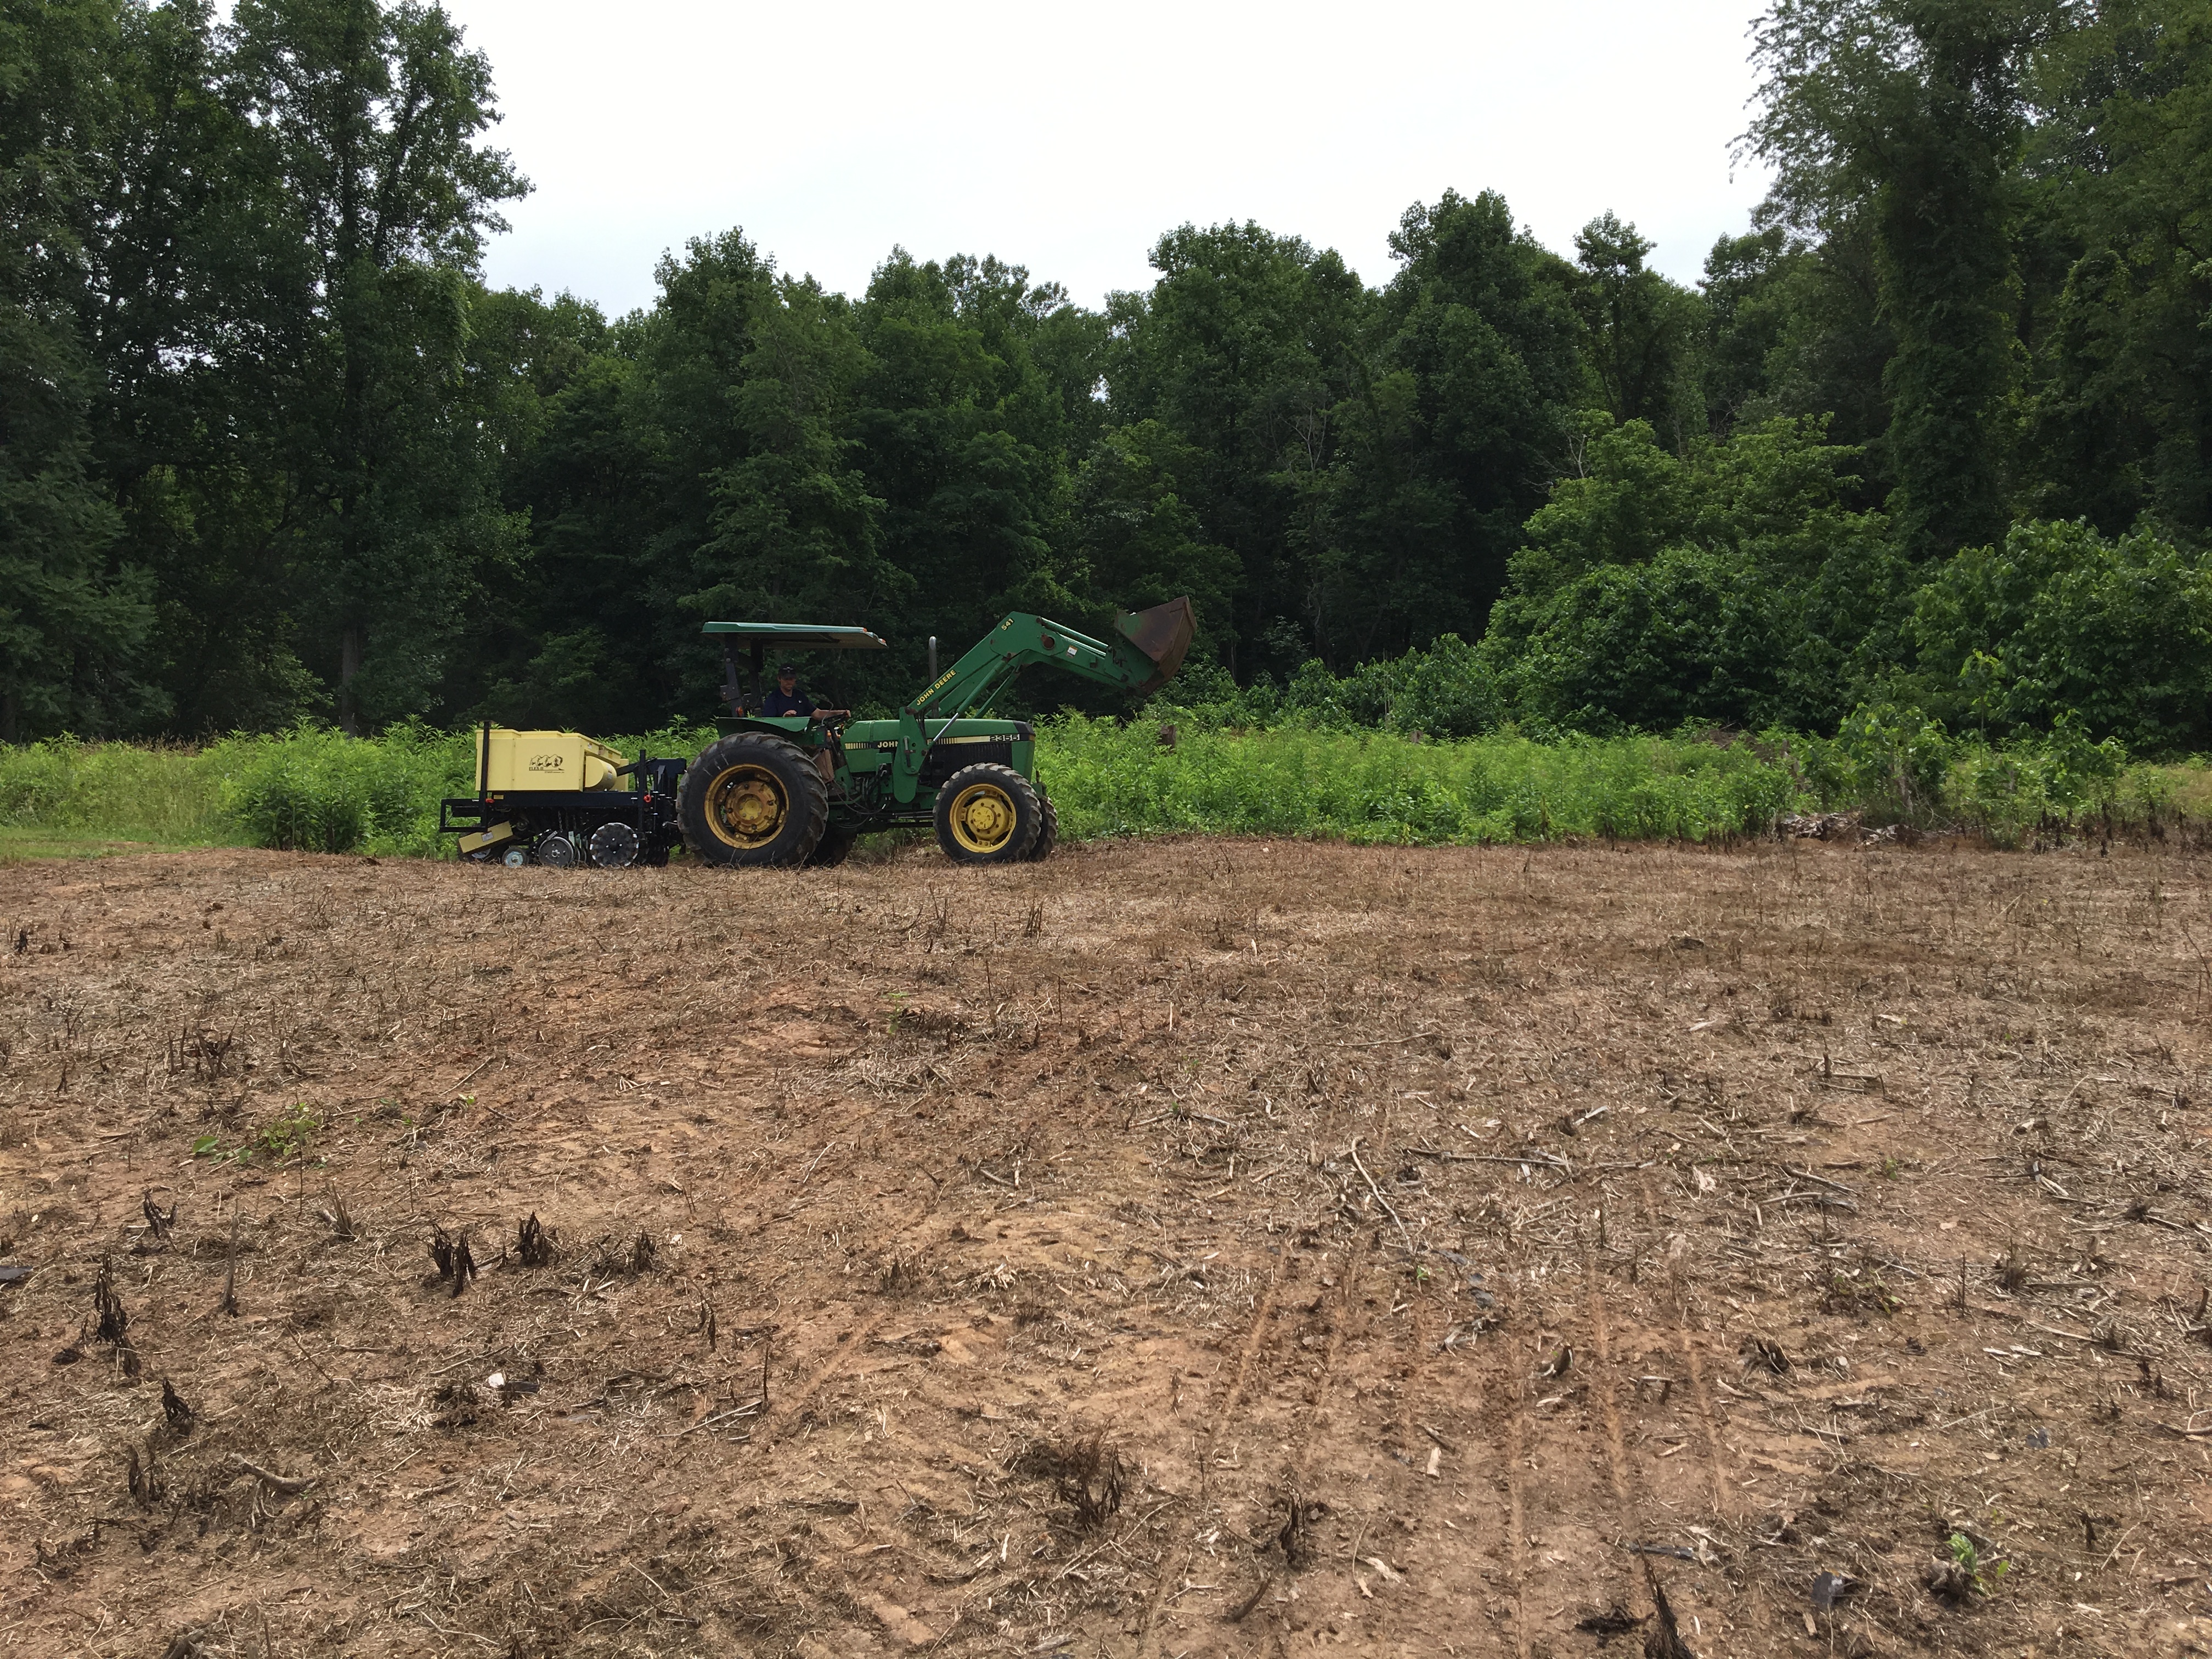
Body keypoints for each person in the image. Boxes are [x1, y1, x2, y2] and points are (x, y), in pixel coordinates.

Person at [760, 663, 848, 721]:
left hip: (802, 736)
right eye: (786, 679)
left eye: (791, 679)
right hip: (782, 740)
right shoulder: (773, 698)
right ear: (779, 679)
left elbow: (818, 714)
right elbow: (769, 724)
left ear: (795, 679)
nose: (789, 682)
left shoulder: (799, 695)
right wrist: (784, 719)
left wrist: (839, 713)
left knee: (826, 741)